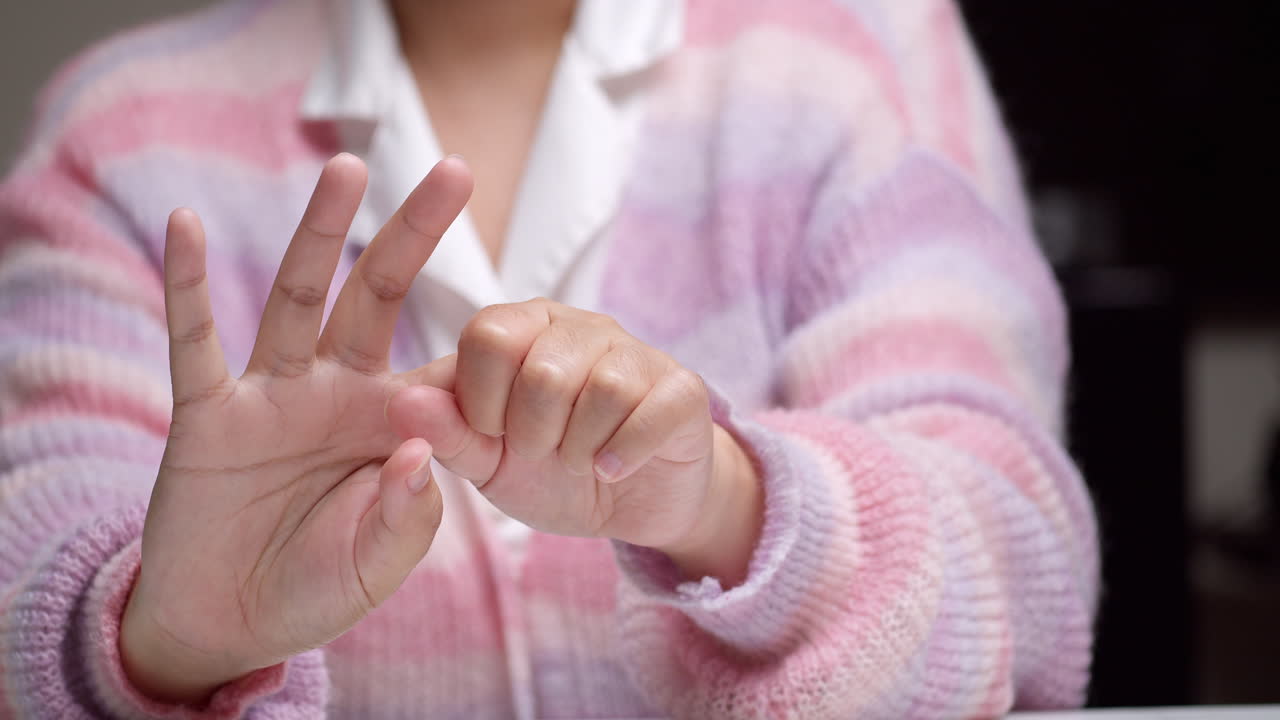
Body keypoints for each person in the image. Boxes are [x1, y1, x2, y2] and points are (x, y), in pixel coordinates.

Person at [0, 0, 1099, 717]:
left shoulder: (861, 49)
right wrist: (166, 639)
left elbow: (1018, 555)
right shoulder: (116, 138)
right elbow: (25, 585)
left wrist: (726, 503)